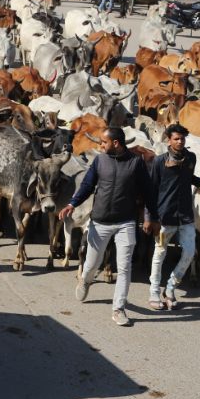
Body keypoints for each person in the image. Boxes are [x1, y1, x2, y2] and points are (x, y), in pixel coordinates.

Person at [57, 128, 155, 328]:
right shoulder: (100, 161)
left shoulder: (136, 163)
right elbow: (86, 185)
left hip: (125, 222)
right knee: (92, 264)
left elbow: (148, 193)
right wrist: (72, 204)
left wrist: (150, 217)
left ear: (116, 143)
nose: (100, 146)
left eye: (103, 142)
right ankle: (85, 280)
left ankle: (118, 308)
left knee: (124, 267)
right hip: (100, 221)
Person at [147, 124, 200, 311]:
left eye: (182, 139)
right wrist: (150, 217)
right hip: (164, 216)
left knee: (190, 252)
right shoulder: (159, 162)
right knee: (159, 254)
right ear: (169, 140)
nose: (180, 142)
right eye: (176, 139)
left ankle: (171, 287)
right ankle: (154, 292)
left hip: (185, 215)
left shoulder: (191, 158)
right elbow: (151, 190)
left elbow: (189, 178)